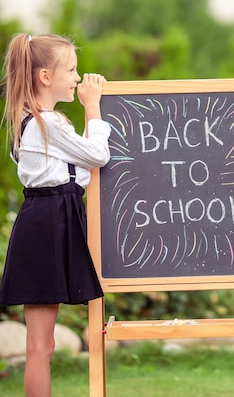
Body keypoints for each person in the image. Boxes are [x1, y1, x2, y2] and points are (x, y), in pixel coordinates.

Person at [0, 33, 111, 397]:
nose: (78, 78)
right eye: (72, 70)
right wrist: (92, 107)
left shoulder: (31, 122)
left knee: (40, 346)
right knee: (40, 346)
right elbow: (96, 156)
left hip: (46, 219)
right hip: (50, 223)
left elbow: (75, 170)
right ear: (45, 76)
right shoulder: (48, 123)